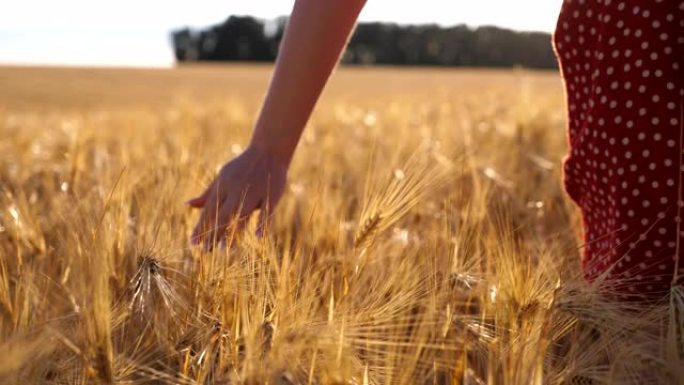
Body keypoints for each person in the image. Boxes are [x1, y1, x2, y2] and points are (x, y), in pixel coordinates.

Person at [188, 0, 684, 299]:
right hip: (640, 59)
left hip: (638, 52)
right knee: (645, 308)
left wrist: (268, 148)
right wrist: (268, 148)